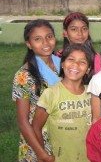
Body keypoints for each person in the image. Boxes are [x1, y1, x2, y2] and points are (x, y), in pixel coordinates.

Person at [32, 44, 93, 162]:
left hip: (89, 157)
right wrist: (43, 154)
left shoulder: (91, 93)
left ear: (88, 69)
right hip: (61, 157)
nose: (75, 65)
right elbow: (36, 127)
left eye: (82, 62)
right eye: (71, 59)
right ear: (62, 64)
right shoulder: (50, 94)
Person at [12, 19, 61, 162]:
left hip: (62, 135)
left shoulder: (63, 65)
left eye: (49, 37)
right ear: (29, 44)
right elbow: (23, 121)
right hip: (37, 142)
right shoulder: (24, 76)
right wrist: (42, 154)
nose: (46, 43)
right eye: (38, 39)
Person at [56, 12, 101, 78]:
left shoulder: (96, 59)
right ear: (65, 33)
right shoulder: (57, 57)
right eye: (74, 29)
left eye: (84, 29)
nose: (80, 33)